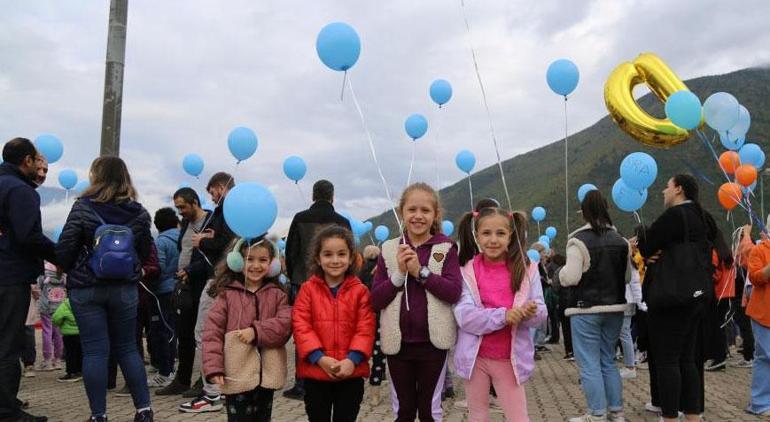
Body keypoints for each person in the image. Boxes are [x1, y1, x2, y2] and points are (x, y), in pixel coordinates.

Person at [56, 156, 154, 422]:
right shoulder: (140, 213)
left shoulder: (82, 208)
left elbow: (64, 250)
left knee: (95, 351)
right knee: (128, 349)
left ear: (96, 176)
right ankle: (144, 410)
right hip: (124, 290)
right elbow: (145, 253)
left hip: (86, 289)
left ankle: (98, 415)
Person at [371, 183, 463, 421]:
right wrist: (399, 274)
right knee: (403, 410)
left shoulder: (446, 248)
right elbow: (376, 299)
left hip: (432, 345)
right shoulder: (390, 249)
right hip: (398, 345)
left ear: (435, 215)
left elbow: (453, 292)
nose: (418, 216)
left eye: (425, 210)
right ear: (402, 212)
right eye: (412, 209)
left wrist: (420, 272)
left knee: (429, 411)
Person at [453, 207, 547, 421]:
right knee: (477, 415)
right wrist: (504, 316)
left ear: (510, 236)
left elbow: (541, 313)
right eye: (486, 233)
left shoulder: (526, 268)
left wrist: (530, 313)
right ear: (477, 236)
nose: (493, 240)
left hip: (509, 359)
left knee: (518, 417)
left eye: (500, 233)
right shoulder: (467, 270)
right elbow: (464, 316)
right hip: (475, 358)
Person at [636, 174, 713, 422]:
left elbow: (646, 246)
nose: (663, 191)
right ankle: (693, 416)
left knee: (667, 360)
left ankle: (669, 416)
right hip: (697, 295)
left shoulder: (673, 216)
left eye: (667, 187)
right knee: (688, 359)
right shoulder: (703, 216)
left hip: (670, 297)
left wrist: (650, 251)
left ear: (678, 189)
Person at [558, 190, 631, 422]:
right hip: (615, 309)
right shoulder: (621, 241)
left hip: (585, 308)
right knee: (607, 360)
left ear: (584, 212)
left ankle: (596, 413)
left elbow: (571, 277)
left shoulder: (577, 241)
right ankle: (616, 412)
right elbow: (627, 277)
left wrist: (559, 274)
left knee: (589, 363)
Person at [203, 237, 292, 421]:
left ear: (272, 263)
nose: (256, 265)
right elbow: (212, 334)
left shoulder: (278, 294)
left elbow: (285, 325)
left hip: (267, 374)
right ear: (236, 261)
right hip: (236, 372)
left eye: (263, 260)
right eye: (249, 259)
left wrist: (256, 331)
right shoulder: (226, 295)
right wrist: (214, 367)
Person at [293, 225, 375, 421]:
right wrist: (319, 358)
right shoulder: (307, 290)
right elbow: (301, 325)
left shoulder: (361, 291)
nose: (335, 260)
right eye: (328, 254)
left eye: (341, 254)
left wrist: (352, 360)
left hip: (350, 374)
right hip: (316, 372)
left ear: (351, 258)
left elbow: (366, 328)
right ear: (318, 259)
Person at [0, 138, 57, 422]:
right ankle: (7, 410)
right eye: (36, 160)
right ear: (26, 161)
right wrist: (60, 255)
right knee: (8, 345)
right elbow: (28, 236)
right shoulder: (21, 191)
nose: (38, 166)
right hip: (9, 276)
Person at [283, 180, 351, 400]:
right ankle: (332, 374)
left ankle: (302, 383)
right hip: (335, 283)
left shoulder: (300, 218)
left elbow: (291, 252)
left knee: (302, 331)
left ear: (313, 196)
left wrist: (294, 277)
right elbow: (350, 253)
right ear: (332, 197)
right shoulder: (342, 221)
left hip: (302, 282)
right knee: (332, 328)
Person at [179, 172, 237, 411]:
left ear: (220, 187)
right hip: (228, 279)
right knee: (223, 334)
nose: (211, 198)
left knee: (205, 332)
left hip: (218, 279)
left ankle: (211, 392)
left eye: (212, 191)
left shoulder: (226, 210)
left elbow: (224, 243)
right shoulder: (236, 210)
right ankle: (220, 389)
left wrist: (202, 241)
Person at [157, 188, 210, 397]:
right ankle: (182, 379)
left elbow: (210, 256)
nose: (180, 211)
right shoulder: (185, 224)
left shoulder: (210, 222)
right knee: (184, 333)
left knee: (203, 334)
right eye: (177, 207)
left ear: (194, 202)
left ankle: (204, 379)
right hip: (185, 285)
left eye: (183, 206)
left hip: (204, 284)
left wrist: (190, 270)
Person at [146, 208, 180, 389]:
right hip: (179, 288)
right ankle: (172, 368)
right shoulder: (184, 238)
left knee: (162, 330)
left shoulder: (161, 242)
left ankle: (166, 371)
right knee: (174, 330)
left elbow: (158, 268)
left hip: (162, 292)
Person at [746, 217, 770, 415]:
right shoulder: (759, 250)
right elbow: (754, 277)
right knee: (765, 357)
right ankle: (759, 404)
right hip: (763, 313)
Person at [704, 225, 735, 372]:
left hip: (717, 294)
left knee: (715, 327)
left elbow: (715, 275)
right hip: (728, 294)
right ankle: (721, 355)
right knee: (721, 326)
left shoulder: (714, 253)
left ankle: (718, 358)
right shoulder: (727, 253)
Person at [36, 261, 66, 372]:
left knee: (47, 332)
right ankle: (57, 360)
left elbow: (38, 285)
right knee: (59, 333)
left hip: (46, 306)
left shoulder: (44, 272)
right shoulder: (63, 273)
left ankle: (47, 361)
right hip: (60, 307)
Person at [618, 257, 642, 380]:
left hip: (626, 301)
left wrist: (640, 302)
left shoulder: (627, 263)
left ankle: (630, 366)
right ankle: (629, 365)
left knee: (624, 333)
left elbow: (635, 283)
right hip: (625, 300)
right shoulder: (627, 261)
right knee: (624, 333)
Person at [52, 298, 82, 383]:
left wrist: (60, 324)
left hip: (69, 334)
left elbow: (56, 318)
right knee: (80, 352)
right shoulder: (83, 302)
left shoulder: (65, 304)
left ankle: (71, 372)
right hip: (81, 332)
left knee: (70, 354)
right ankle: (80, 371)